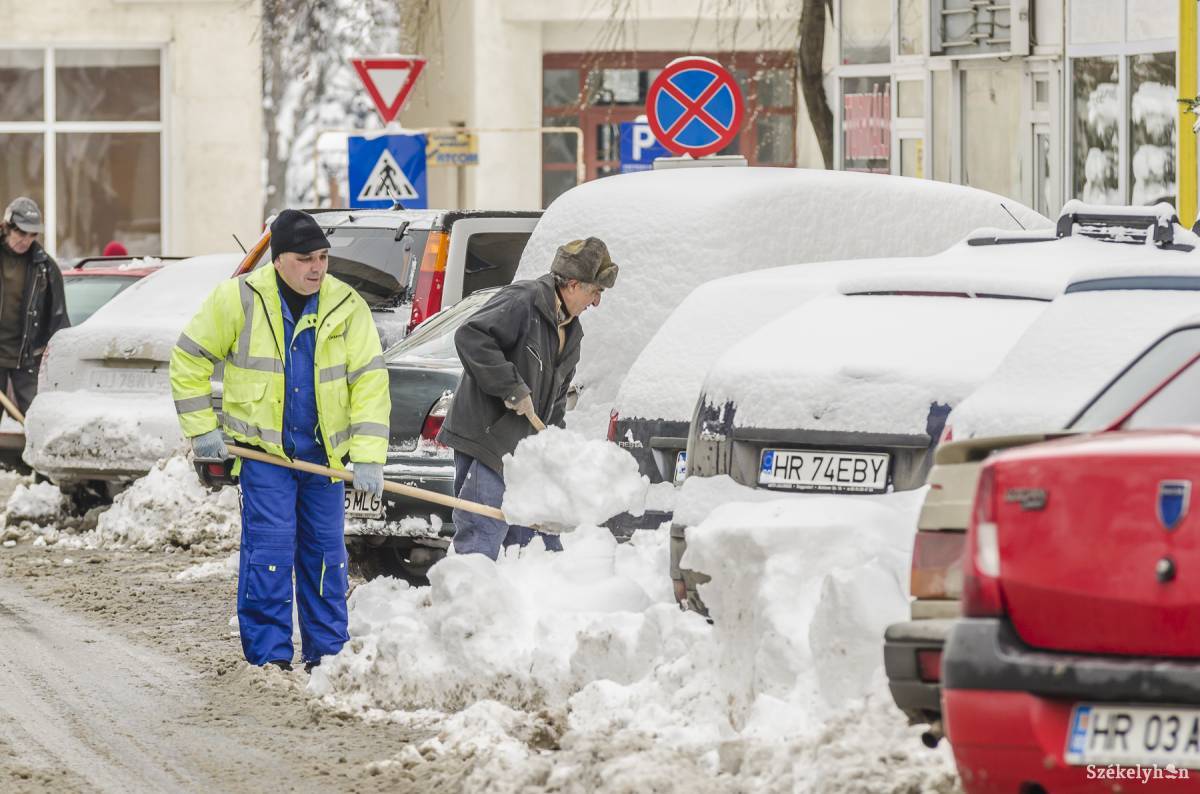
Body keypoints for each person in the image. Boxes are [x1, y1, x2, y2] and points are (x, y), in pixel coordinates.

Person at [169, 209, 390, 671]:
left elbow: (369, 383)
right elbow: (189, 360)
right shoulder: (239, 299)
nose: (317, 267)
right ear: (278, 259)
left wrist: (368, 457)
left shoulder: (346, 305)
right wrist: (202, 429)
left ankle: (326, 657)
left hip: (324, 460)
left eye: (324, 257)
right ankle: (269, 660)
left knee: (326, 558)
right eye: (306, 257)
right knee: (269, 555)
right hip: (263, 454)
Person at [437, 236, 618, 559]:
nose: (596, 302)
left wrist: (554, 447)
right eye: (595, 292)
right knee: (483, 532)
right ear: (573, 285)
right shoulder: (525, 301)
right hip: (489, 439)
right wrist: (512, 387)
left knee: (534, 543)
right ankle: (472, 603)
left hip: (526, 450)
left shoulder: (572, 333)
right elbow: (471, 335)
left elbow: (557, 401)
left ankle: (525, 604)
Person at [0, 197, 69, 413]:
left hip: (29, 360)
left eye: (33, 235)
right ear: (7, 227)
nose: (26, 240)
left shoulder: (45, 268)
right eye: (21, 233)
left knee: (36, 419)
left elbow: (58, 321)